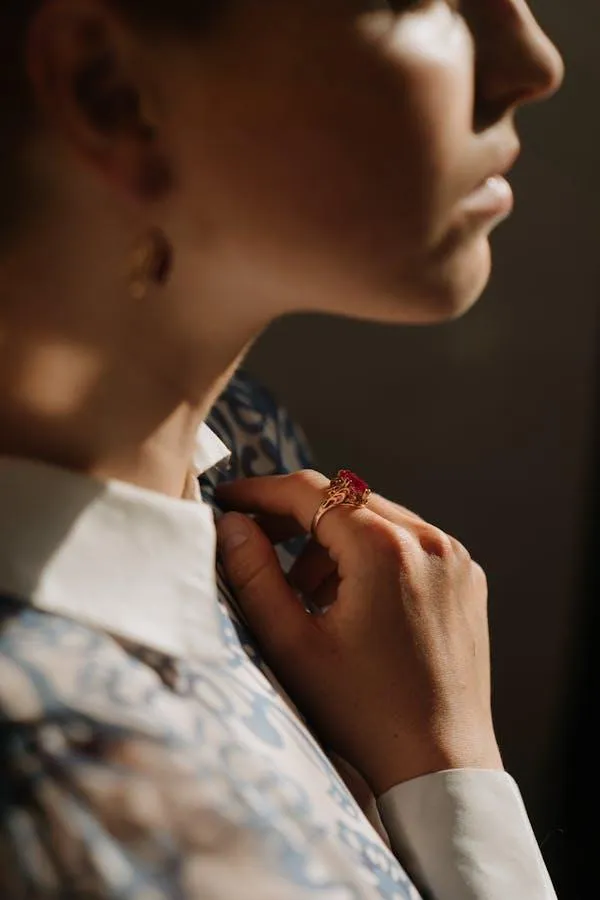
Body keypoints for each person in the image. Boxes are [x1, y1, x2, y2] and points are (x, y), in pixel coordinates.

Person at [0, 1, 564, 898]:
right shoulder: (76, 812)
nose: (533, 64)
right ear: (111, 91)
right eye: (425, 1)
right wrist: (458, 789)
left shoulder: (244, 447)